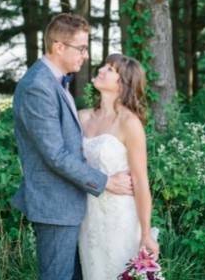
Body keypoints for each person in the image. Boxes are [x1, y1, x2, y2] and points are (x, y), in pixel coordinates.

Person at [11, 13, 134, 280]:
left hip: (71, 205)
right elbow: (55, 154)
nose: (86, 55)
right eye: (81, 48)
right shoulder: (37, 87)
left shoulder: (56, 81)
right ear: (58, 47)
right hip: (54, 206)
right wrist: (106, 182)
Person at [78, 53, 160, 280]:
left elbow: (141, 181)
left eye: (110, 69)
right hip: (89, 216)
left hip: (119, 217)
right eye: (103, 65)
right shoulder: (82, 118)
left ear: (123, 84)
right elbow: (71, 165)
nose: (101, 70)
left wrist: (146, 233)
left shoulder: (129, 123)